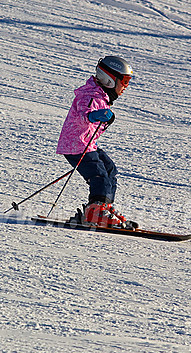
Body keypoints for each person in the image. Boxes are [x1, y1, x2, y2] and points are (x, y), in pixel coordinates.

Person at [56, 55, 134, 227]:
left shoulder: (100, 96)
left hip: (86, 144)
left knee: (109, 169)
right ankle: (95, 212)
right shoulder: (90, 95)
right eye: (125, 81)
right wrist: (95, 116)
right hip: (76, 145)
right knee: (99, 175)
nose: (126, 86)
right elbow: (84, 113)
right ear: (109, 80)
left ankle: (103, 208)